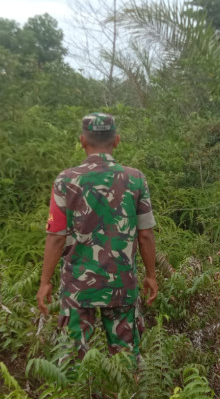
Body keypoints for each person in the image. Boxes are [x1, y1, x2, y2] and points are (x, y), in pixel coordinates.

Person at [36, 112, 158, 361]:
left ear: (82, 141)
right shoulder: (135, 179)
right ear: (117, 140)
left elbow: (56, 237)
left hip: (78, 287)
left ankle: (77, 388)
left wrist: (45, 281)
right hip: (121, 285)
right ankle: (126, 387)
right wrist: (151, 275)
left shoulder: (66, 180)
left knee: (72, 360)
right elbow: (145, 235)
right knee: (125, 360)